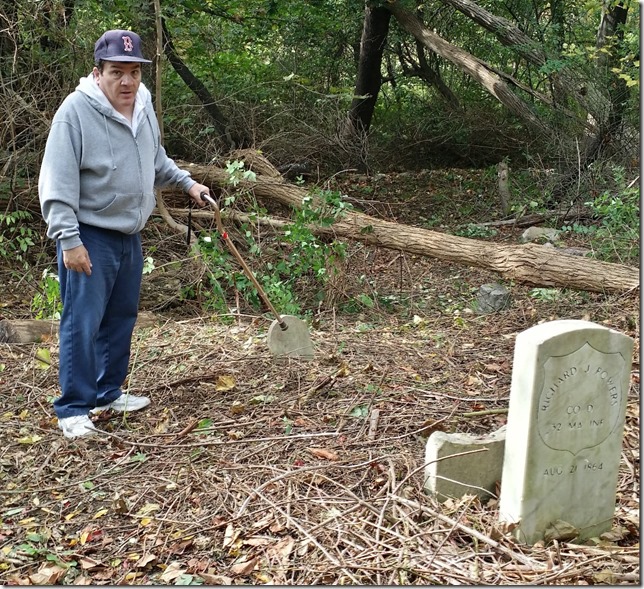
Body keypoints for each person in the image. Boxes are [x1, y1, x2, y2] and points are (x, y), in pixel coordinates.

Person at [38, 29, 210, 439]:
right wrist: (68, 239)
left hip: (129, 235)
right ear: (98, 74)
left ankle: (106, 391)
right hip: (89, 235)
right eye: (117, 72)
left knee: (119, 319)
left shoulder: (143, 105)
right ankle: (74, 408)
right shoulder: (75, 113)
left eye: (133, 72)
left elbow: (156, 158)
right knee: (82, 321)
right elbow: (56, 183)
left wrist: (188, 184)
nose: (127, 82)